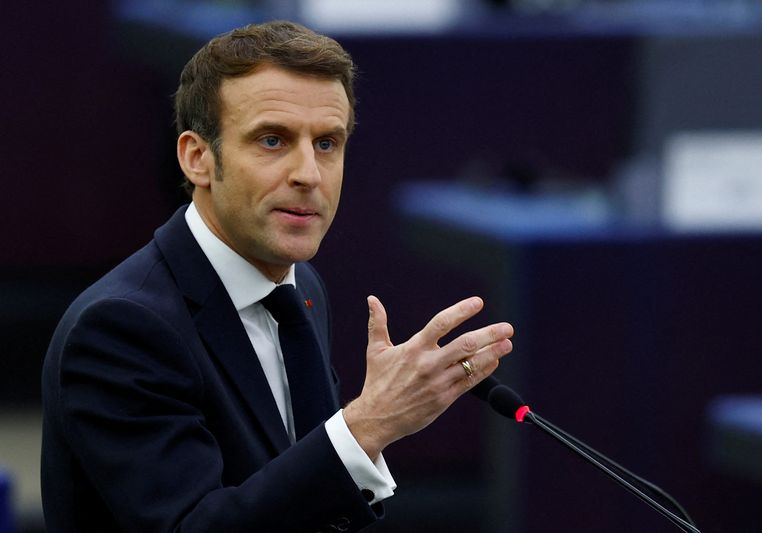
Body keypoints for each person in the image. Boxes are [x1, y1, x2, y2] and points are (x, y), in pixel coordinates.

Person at [41, 20, 514, 533]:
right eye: (273, 140)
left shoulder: (300, 290)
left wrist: (361, 431)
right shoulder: (121, 329)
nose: (308, 173)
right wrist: (366, 426)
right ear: (197, 158)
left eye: (328, 143)